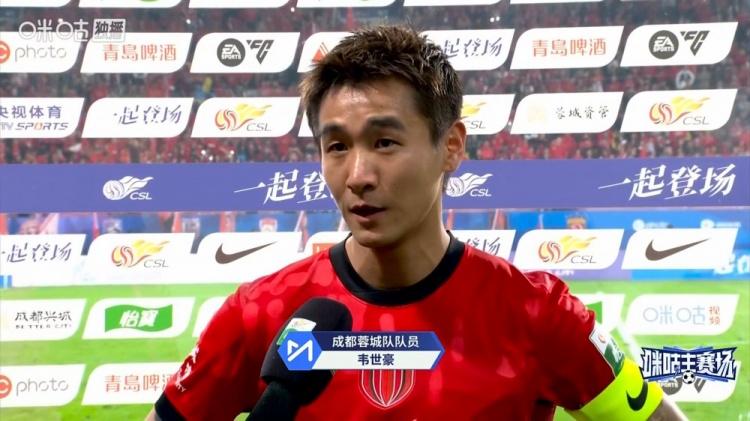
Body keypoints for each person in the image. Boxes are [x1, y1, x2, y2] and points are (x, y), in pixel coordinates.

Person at [146, 24, 688, 421]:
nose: (358, 175)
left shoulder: (537, 314)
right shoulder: (259, 313)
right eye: (337, 146)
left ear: (450, 146)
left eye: (384, 142)